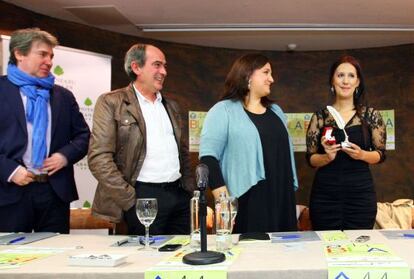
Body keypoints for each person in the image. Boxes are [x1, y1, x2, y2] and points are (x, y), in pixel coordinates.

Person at [88, 43, 194, 235]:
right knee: (147, 259)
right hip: (142, 196)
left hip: (178, 197)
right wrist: (129, 199)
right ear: (136, 67)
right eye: (157, 65)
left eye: (165, 66)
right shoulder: (111, 102)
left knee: (181, 258)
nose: (163, 71)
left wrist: (188, 191)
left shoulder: (171, 106)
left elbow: (183, 152)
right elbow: (99, 158)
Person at [0, 28, 90, 233]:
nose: (49, 61)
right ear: (19, 54)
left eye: (51, 56)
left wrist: (64, 156)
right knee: (12, 259)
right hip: (9, 192)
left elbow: (83, 136)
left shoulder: (63, 96)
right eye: (42, 54)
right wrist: (11, 171)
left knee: (55, 257)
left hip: (54, 192)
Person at [199, 53, 299, 233]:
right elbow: (208, 159)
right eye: (266, 72)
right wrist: (224, 204)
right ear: (247, 75)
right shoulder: (222, 110)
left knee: (284, 255)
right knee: (250, 257)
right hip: (247, 202)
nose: (272, 79)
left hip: (281, 198)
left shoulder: (276, 111)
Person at [306, 55, 386, 230]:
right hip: (325, 195)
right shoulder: (320, 117)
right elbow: (311, 159)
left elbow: (380, 154)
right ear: (332, 81)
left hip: (360, 195)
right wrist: (327, 157)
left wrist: (362, 155)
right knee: (325, 247)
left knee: (360, 248)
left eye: (351, 76)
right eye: (340, 75)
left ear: (358, 82)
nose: (345, 81)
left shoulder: (371, 116)